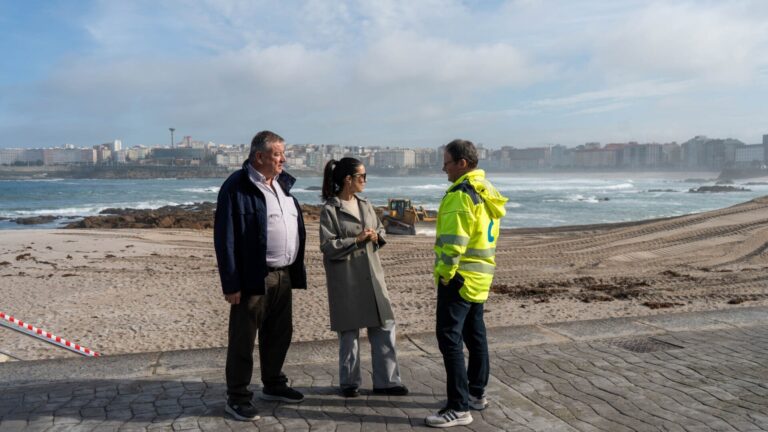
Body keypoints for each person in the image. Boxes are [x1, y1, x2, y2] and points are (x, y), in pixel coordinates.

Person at [214, 130, 307, 422]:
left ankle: (274, 384)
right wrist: (231, 283)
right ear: (259, 156)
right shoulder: (236, 186)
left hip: (284, 274)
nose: (284, 158)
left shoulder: (282, 184)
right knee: (243, 338)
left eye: (282, 153)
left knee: (280, 333)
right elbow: (225, 238)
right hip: (254, 276)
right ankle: (238, 397)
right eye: (278, 153)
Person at [425, 139, 508, 428]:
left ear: (462, 163)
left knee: (449, 339)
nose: (443, 168)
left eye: (446, 162)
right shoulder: (487, 192)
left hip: (459, 278)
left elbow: (454, 241)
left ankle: (459, 407)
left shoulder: (461, 195)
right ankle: (476, 393)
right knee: (476, 335)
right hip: (481, 275)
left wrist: (446, 273)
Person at [319, 157, 408, 398]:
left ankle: (388, 382)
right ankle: (349, 383)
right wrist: (356, 240)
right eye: (362, 177)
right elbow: (327, 246)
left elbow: (380, 229)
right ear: (348, 180)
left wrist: (376, 236)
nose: (365, 181)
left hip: (372, 275)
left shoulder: (366, 204)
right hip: (346, 278)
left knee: (384, 324)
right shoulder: (330, 209)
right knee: (349, 333)